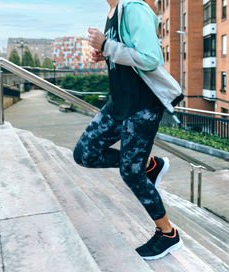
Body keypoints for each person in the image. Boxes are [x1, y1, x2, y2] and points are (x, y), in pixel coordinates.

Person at [73, 0, 185, 260]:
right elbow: (126, 55)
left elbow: (150, 58)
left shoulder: (133, 8)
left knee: (130, 173)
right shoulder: (111, 12)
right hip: (120, 102)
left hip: (142, 105)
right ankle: (149, 164)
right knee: (84, 154)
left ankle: (168, 234)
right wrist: (105, 53)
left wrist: (107, 46)